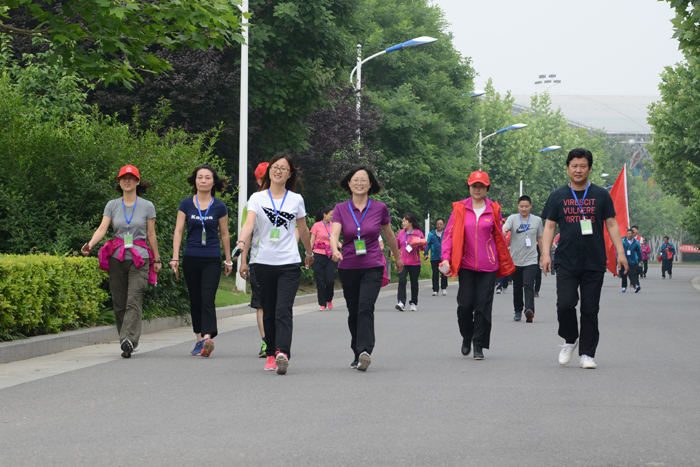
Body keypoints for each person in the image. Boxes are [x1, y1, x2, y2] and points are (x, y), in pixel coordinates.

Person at [541, 148, 628, 370]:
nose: (578, 170)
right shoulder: (557, 196)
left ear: (589, 169)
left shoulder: (601, 195)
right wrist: (545, 254)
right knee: (565, 305)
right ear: (568, 168)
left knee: (590, 309)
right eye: (574, 166)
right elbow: (549, 227)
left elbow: (611, 224)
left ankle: (587, 354)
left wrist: (620, 252)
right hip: (566, 261)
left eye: (583, 166)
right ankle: (570, 339)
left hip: (594, 261)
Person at [238, 153, 313, 375]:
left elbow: (303, 229)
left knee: (283, 309)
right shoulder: (257, 198)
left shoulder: (296, 199)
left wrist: (309, 252)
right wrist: (241, 242)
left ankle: (283, 353)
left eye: (283, 168)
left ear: (290, 174)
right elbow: (249, 223)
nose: (278, 171)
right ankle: (270, 353)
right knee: (269, 310)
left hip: (289, 263)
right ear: (269, 171)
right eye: (275, 167)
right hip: (262, 262)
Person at [82, 165, 161, 358]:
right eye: (124, 178)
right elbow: (103, 228)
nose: (127, 181)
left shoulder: (147, 206)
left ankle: (129, 340)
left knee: (134, 298)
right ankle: (128, 341)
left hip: (139, 258)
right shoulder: (112, 205)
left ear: (137, 182)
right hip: (117, 257)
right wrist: (90, 244)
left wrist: (157, 259)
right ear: (119, 182)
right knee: (119, 302)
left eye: (131, 178)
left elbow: (151, 234)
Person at [331, 165, 403, 371]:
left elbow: (389, 234)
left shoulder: (380, 208)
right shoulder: (340, 208)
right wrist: (334, 249)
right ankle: (357, 352)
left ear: (370, 184)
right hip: (348, 266)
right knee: (354, 311)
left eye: (363, 180)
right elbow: (334, 233)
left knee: (365, 307)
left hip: (373, 265)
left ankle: (365, 351)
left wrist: (397, 257)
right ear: (349, 183)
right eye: (355, 179)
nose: (359, 183)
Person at [440, 170, 514, 360]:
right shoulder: (460, 208)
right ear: (469, 187)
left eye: (481, 186)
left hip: (488, 266)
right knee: (465, 306)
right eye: (474, 186)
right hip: (465, 265)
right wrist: (446, 258)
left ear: (487, 188)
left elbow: (499, 237)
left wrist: (503, 261)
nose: (478, 189)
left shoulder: (494, 209)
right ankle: (467, 336)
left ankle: (479, 344)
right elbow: (448, 235)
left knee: (483, 306)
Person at [170, 164, 232, 359]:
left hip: (212, 258)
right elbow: (178, 231)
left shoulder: (219, 206)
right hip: (191, 258)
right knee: (196, 299)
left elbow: (224, 233)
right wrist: (175, 257)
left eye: (207, 177)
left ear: (214, 182)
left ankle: (207, 338)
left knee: (208, 298)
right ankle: (199, 340)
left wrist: (228, 260)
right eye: (200, 177)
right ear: (194, 181)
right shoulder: (186, 204)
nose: (203, 181)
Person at [240, 162, 269, 357]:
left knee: (279, 304)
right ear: (258, 181)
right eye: (266, 178)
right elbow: (247, 233)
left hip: (282, 261)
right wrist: (243, 261)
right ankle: (266, 341)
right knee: (261, 303)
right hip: (259, 260)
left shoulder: (287, 200)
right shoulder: (251, 204)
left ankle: (280, 338)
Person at [503, 195, 544, 322]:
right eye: (521, 206)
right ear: (518, 206)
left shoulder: (537, 220)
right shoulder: (513, 218)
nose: (524, 209)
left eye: (526, 206)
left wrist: (543, 255)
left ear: (530, 206)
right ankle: (518, 310)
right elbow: (505, 227)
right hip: (515, 259)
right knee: (517, 286)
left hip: (531, 259)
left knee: (528, 284)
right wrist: (504, 230)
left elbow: (540, 238)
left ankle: (529, 310)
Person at [395, 213, 426, 312]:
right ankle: (401, 302)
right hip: (402, 262)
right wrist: (395, 256)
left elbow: (423, 248)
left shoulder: (418, 233)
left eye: (404, 221)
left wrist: (420, 243)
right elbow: (396, 246)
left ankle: (413, 303)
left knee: (414, 283)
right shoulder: (400, 233)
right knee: (402, 281)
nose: (403, 223)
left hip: (415, 263)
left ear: (410, 223)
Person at [310, 206, 336, 311]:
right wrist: (309, 253)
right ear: (325, 215)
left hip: (329, 255)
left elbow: (335, 240)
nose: (332, 216)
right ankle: (322, 303)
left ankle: (329, 299)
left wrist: (343, 247)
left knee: (330, 281)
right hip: (318, 255)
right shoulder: (316, 225)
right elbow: (312, 240)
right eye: (331, 215)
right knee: (320, 281)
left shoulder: (334, 226)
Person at [426, 218, 448, 296]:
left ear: (444, 225)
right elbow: (427, 244)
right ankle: (435, 290)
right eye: (438, 224)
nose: (439, 225)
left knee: (444, 273)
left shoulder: (446, 233)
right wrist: (426, 253)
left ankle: (444, 288)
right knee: (435, 274)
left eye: (441, 224)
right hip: (434, 257)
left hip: (444, 257)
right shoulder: (431, 234)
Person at [620, 228, 642, 293]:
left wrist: (641, 259)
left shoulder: (636, 242)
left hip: (633, 261)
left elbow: (639, 252)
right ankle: (624, 286)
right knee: (624, 274)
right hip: (624, 260)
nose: (628, 235)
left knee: (634, 274)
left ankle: (636, 286)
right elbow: (619, 250)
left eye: (630, 234)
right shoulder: (623, 241)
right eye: (627, 233)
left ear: (632, 234)